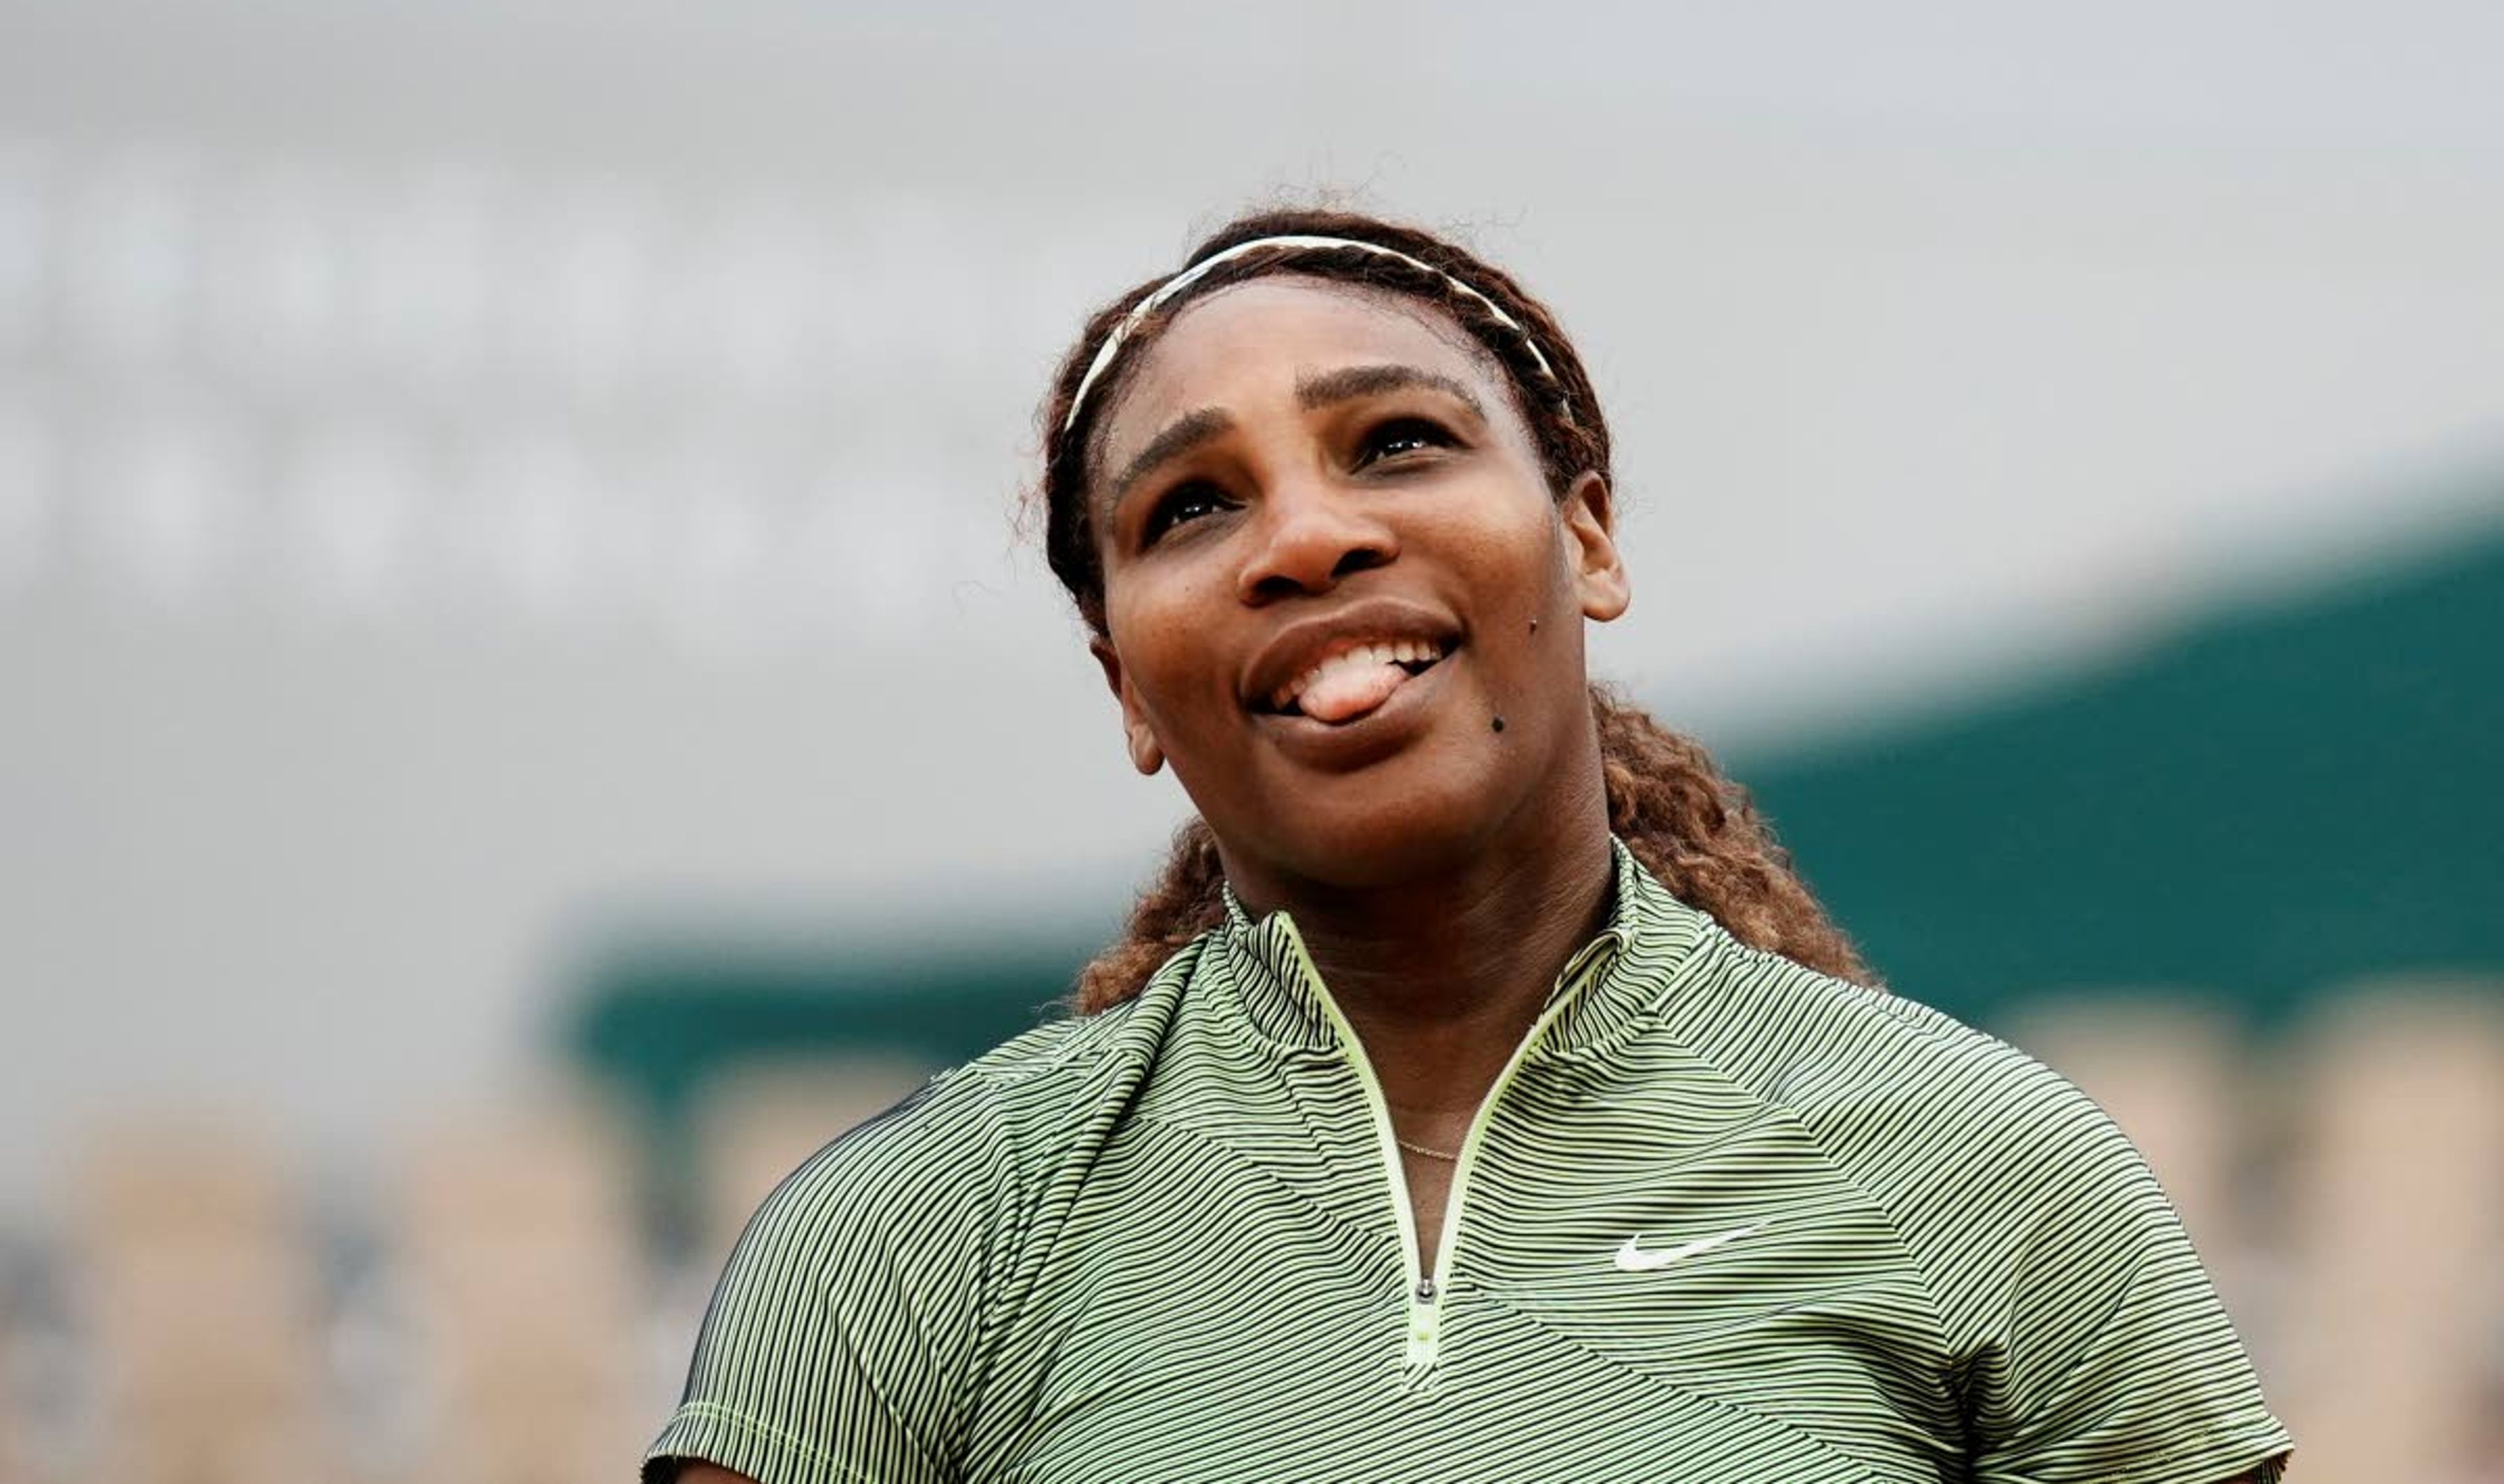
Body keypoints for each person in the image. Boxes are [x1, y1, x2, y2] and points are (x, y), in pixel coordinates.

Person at [645, 209, 2293, 1484]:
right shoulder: (918, 1236)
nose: (1306, 535)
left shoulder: (1990, 1171)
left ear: (1587, 537)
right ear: (1127, 686)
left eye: (1399, 442)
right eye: (1192, 508)